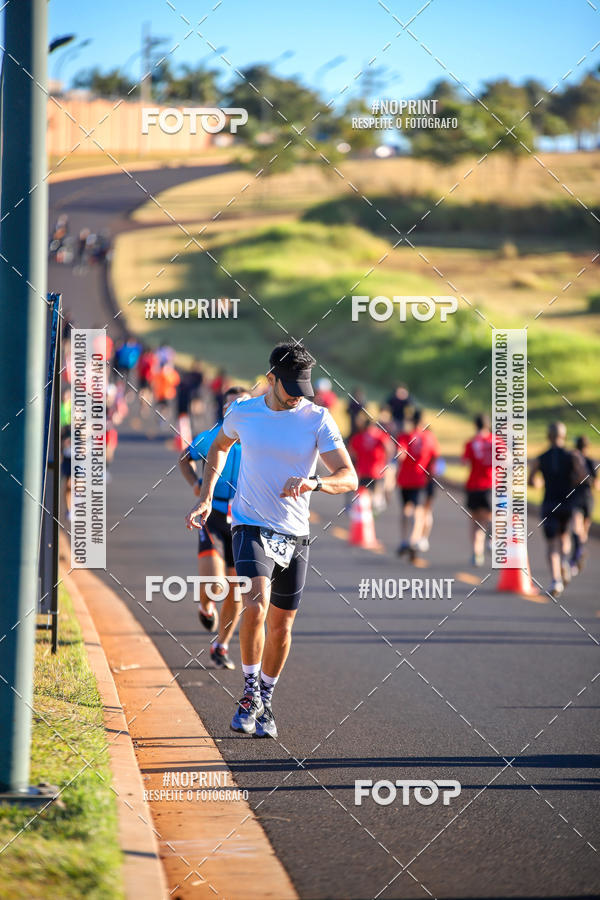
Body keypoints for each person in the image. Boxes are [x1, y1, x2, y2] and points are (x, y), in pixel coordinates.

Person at [186, 341, 358, 739]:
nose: (298, 395)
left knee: (282, 627)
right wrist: (207, 496)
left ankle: (265, 699)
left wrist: (315, 482)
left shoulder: (317, 418)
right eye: (291, 387)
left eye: (304, 387)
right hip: (248, 524)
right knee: (257, 604)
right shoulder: (243, 412)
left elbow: (349, 476)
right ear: (271, 379)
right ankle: (248, 695)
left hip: (295, 533)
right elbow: (219, 447)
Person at [179, 386, 248, 670]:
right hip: (214, 515)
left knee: (237, 591)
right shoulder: (211, 436)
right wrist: (197, 485)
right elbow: (185, 459)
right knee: (216, 584)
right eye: (231, 405)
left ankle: (221, 645)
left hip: (244, 520)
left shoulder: (256, 441)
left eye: (242, 405)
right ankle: (206, 606)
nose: (235, 410)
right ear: (224, 410)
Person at [528, 422, 586, 598]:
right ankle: (564, 564)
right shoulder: (573, 455)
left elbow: (531, 480)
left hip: (549, 504)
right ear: (564, 436)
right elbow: (583, 477)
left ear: (548, 436)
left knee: (552, 543)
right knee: (564, 537)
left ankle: (556, 580)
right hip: (567, 504)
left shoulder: (541, 457)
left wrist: (542, 482)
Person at [396, 409, 439, 561]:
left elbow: (400, 454)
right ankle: (414, 540)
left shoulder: (405, 436)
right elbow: (435, 459)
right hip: (421, 479)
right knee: (419, 511)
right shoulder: (429, 438)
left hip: (404, 479)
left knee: (406, 510)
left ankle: (404, 539)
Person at [462, 413, 494, 567]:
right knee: (489, 517)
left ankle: (477, 552)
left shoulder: (471, 442)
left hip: (473, 485)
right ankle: (491, 538)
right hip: (490, 485)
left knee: (474, 521)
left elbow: (464, 462)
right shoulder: (496, 442)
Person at [348, 410, 392, 513]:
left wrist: (359, 458)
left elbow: (351, 451)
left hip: (363, 470)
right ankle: (373, 511)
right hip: (378, 470)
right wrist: (386, 460)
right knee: (375, 494)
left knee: (363, 493)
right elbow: (389, 447)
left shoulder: (359, 436)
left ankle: (365, 512)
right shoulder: (380, 435)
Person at [570, 435, 597, 575]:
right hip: (587, 498)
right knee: (582, 530)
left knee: (578, 529)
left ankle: (578, 554)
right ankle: (578, 554)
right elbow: (597, 484)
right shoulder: (591, 461)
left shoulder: (574, 460)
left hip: (579, 497)